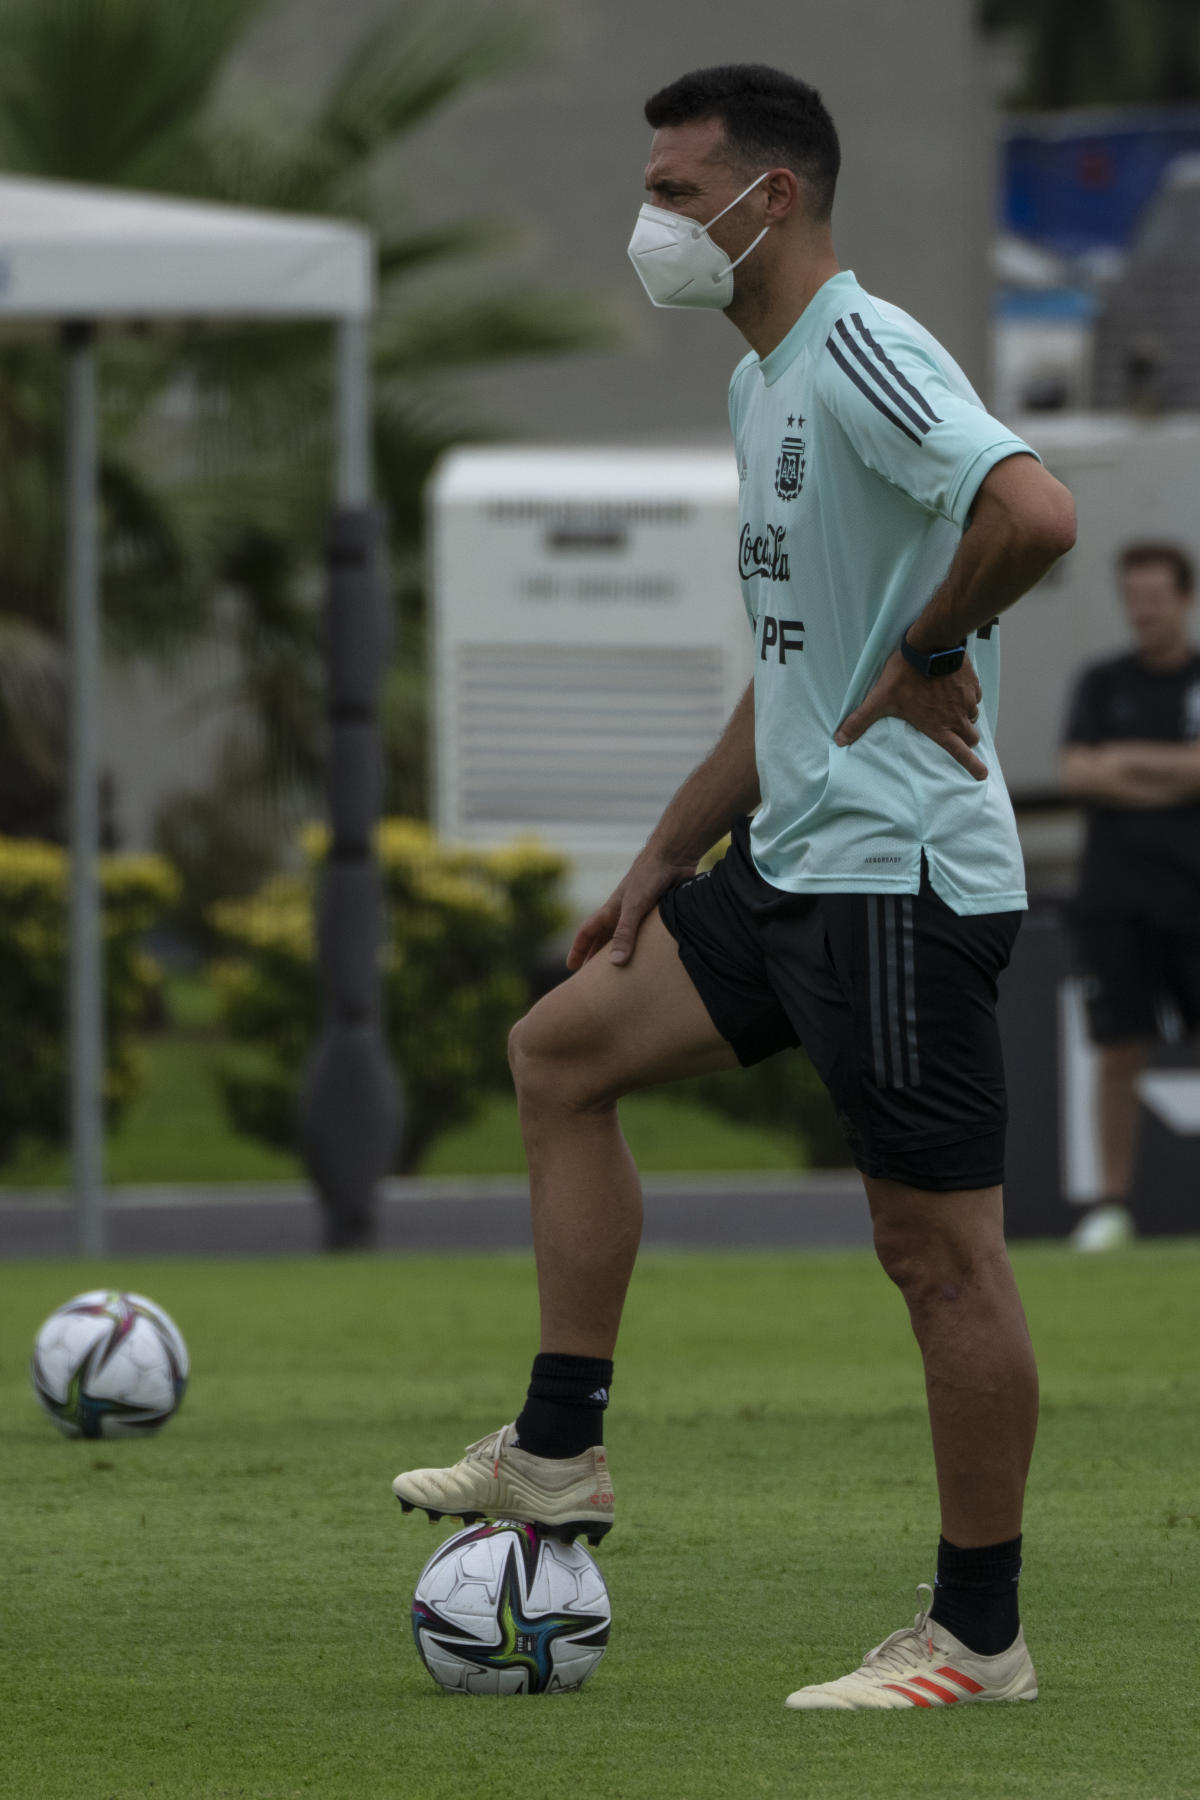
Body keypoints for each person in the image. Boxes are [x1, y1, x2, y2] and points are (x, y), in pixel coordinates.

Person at [393, 64, 1076, 1711]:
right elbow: (793, 670)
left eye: (680, 193)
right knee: (559, 1050)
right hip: (791, 861)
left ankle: (977, 1637)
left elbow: (1034, 509)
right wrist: (657, 857)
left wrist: (926, 650)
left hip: (899, 880)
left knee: (938, 1256)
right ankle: (559, 1453)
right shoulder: (762, 382)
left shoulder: (858, 348)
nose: (655, 224)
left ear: (775, 198)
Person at [1059, 542, 1200, 1251]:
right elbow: (1079, 771)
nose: (1143, 609)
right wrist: (1177, 775)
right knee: (1119, 1048)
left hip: (1194, 895)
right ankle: (1112, 1204)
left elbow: (1113, 765)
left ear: (1184, 599)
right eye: (1132, 595)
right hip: (1116, 896)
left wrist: (1130, 762)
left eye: (1155, 595)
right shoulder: (1101, 681)